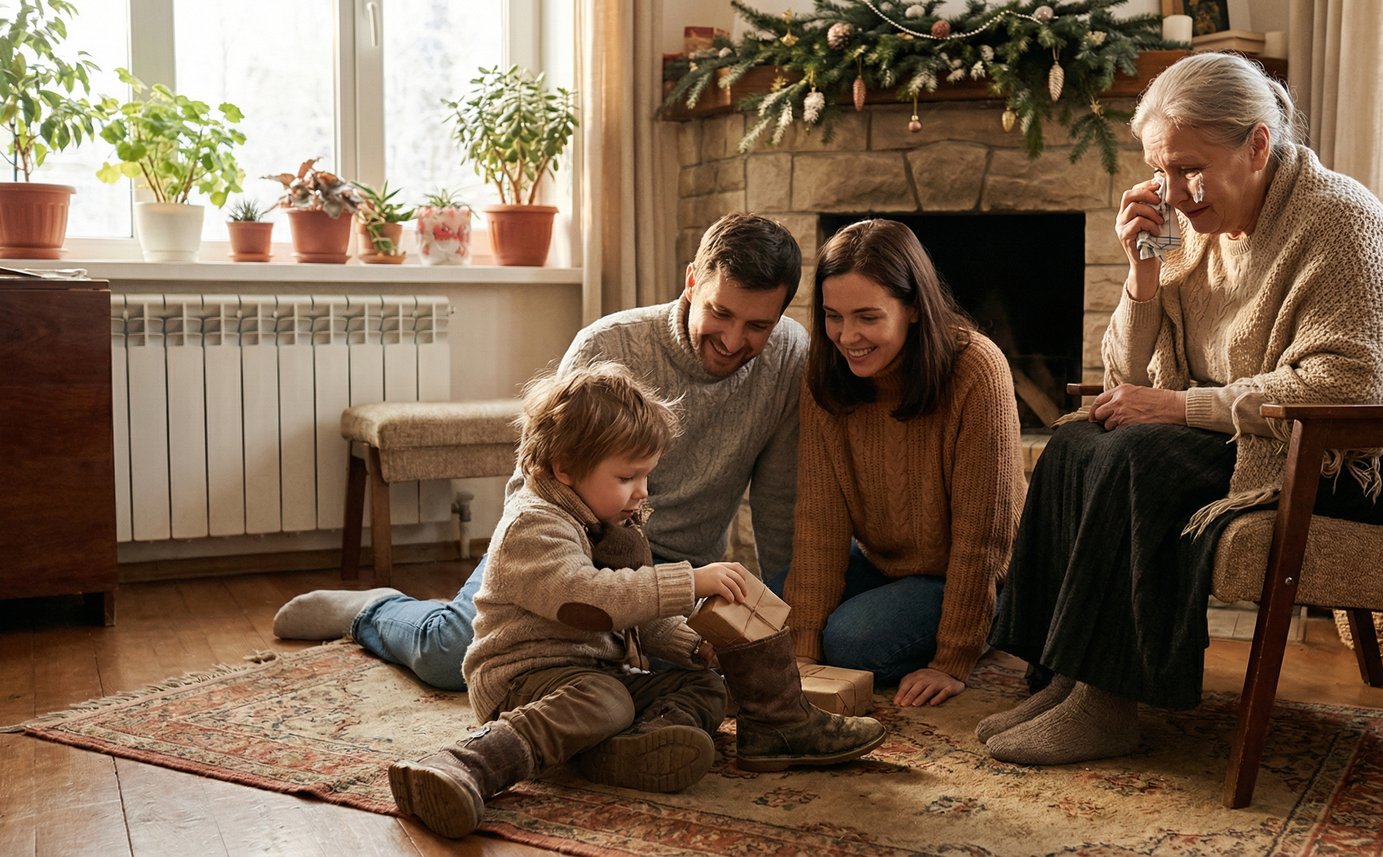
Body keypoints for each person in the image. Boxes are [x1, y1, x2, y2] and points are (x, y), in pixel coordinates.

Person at [981, 53, 1383, 766]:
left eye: (1189, 168)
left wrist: (1180, 407)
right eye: (1161, 170)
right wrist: (1142, 273)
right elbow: (1124, 374)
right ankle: (1063, 676)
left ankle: (1109, 702)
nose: (1174, 192)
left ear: (1258, 146)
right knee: (1078, 440)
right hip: (1264, 434)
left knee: (1135, 455)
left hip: (1372, 457)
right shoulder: (1191, 229)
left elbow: (1343, 389)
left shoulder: (1341, 221)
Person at [272, 213, 808, 691]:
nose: (734, 340)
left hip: (676, 570)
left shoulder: (789, 355)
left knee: (692, 670)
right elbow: (535, 475)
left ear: (781, 317)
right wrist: (548, 576)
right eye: (721, 313)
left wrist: (788, 624)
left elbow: (781, 501)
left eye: (757, 325)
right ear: (693, 281)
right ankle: (373, 610)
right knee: (448, 658)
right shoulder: (609, 345)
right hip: (564, 549)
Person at [388, 363, 885, 839]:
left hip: (595, 674)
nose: (641, 493)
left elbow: (644, 619)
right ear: (564, 468)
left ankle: (631, 746)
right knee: (606, 700)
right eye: (627, 478)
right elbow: (590, 602)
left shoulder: (615, 526)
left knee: (703, 686)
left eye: (647, 476)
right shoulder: (533, 524)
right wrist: (690, 580)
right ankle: (466, 764)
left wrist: (696, 646)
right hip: (524, 680)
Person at [780, 219, 1026, 709]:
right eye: (833, 316)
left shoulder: (977, 368)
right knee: (762, 606)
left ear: (913, 306)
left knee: (851, 642)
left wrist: (953, 658)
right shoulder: (825, 375)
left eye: (867, 317)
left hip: (973, 571)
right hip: (883, 562)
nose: (847, 337)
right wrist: (802, 655)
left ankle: (993, 624)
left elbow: (984, 536)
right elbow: (819, 522)